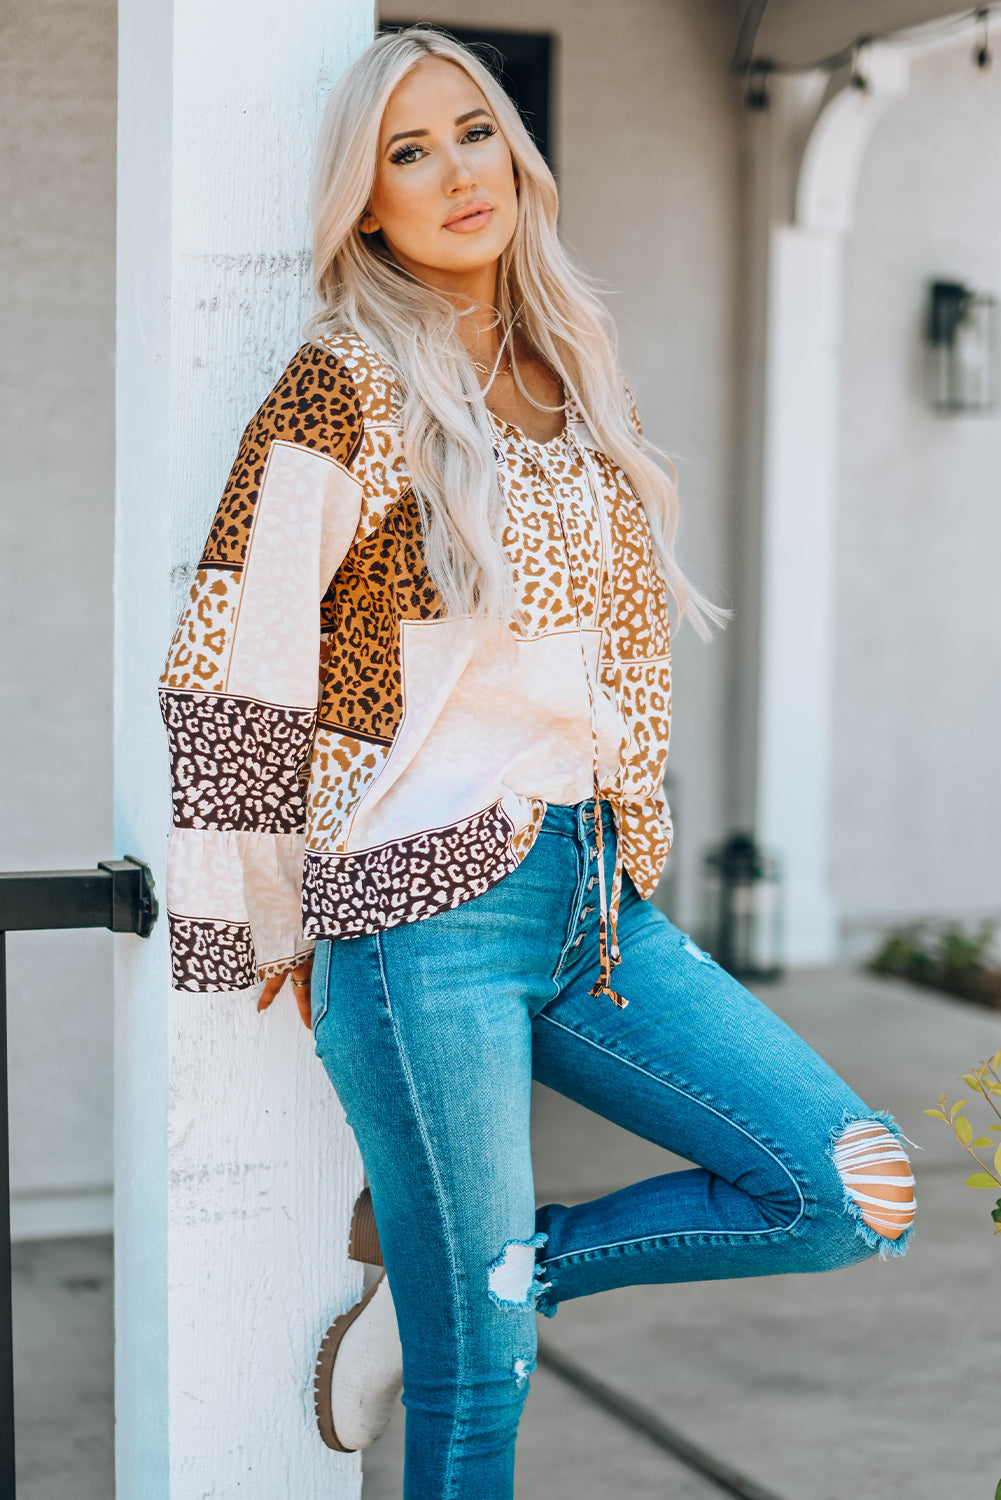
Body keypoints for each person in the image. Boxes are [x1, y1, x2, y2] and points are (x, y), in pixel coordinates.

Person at [158, 26, 916, 1499]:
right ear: (365, 202)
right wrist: (262, 917)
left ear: (517, 154)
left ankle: (480, 1274)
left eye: (475, 133)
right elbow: (237, 653)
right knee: (477, 1391)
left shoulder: (571, 362)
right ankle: (468, 1296)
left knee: (846, 1190)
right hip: (420, 917)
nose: (456, 172)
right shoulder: (346, 382)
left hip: (595, 898)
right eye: (408, 151)